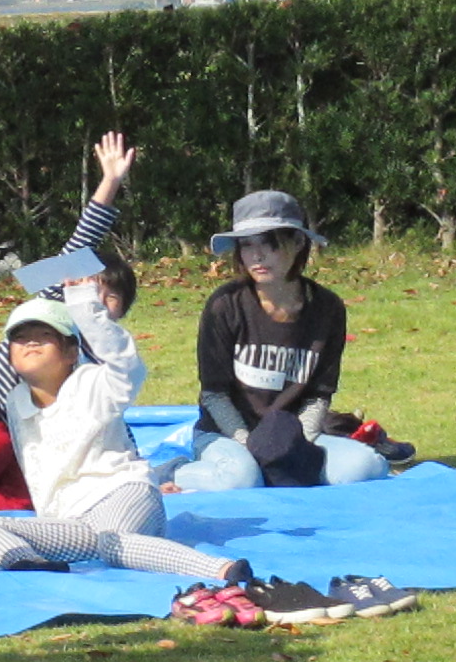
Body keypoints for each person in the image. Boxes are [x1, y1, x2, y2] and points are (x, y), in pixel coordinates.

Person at [0, 288, 248, 582]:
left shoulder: (93, 384)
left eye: (44, 335)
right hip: (73, 523)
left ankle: (221, 569)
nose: (31, 342)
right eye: (21, 337)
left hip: (123, 495)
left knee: (114, 544)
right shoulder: (15, 401)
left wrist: (84, 305)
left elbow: (127, 367)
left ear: (71, 352)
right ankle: (33, 569)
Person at [0, 133, 139, 510]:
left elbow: (108, 418)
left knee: (44, 491)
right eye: (92, 288)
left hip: (27, 429)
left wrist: (137, 470)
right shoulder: (52, 308)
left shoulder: (101, 352)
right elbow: (80, 243)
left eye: (111, 298)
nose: (98, 302)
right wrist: (110, 182)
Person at [165, 192, 390, 491]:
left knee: (366, 467)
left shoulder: (327, 308)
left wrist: (294, 449)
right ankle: (176, 471)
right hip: (226, 433)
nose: (257, 256)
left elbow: (318, 396)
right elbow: (214, 395)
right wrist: (249, 445)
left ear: (297, 243)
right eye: (247, 245)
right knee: (243, 480)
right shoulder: (225, 305)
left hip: (292, 435)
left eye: (269, 243)